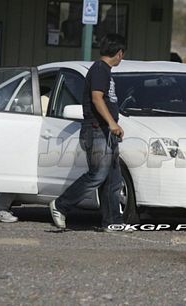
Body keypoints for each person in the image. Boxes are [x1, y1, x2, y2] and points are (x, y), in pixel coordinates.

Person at [49, 34, 126, 231]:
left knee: (113, 179)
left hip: (105, 132)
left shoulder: (104, 71)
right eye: (122, 54)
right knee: (98, 175)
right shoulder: (100, 70)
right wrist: (112, 123)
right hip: (97, 130)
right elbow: (96, 98)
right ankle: (60, 205)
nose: (122, 58)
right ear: (118, 53)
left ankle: (113, 222)